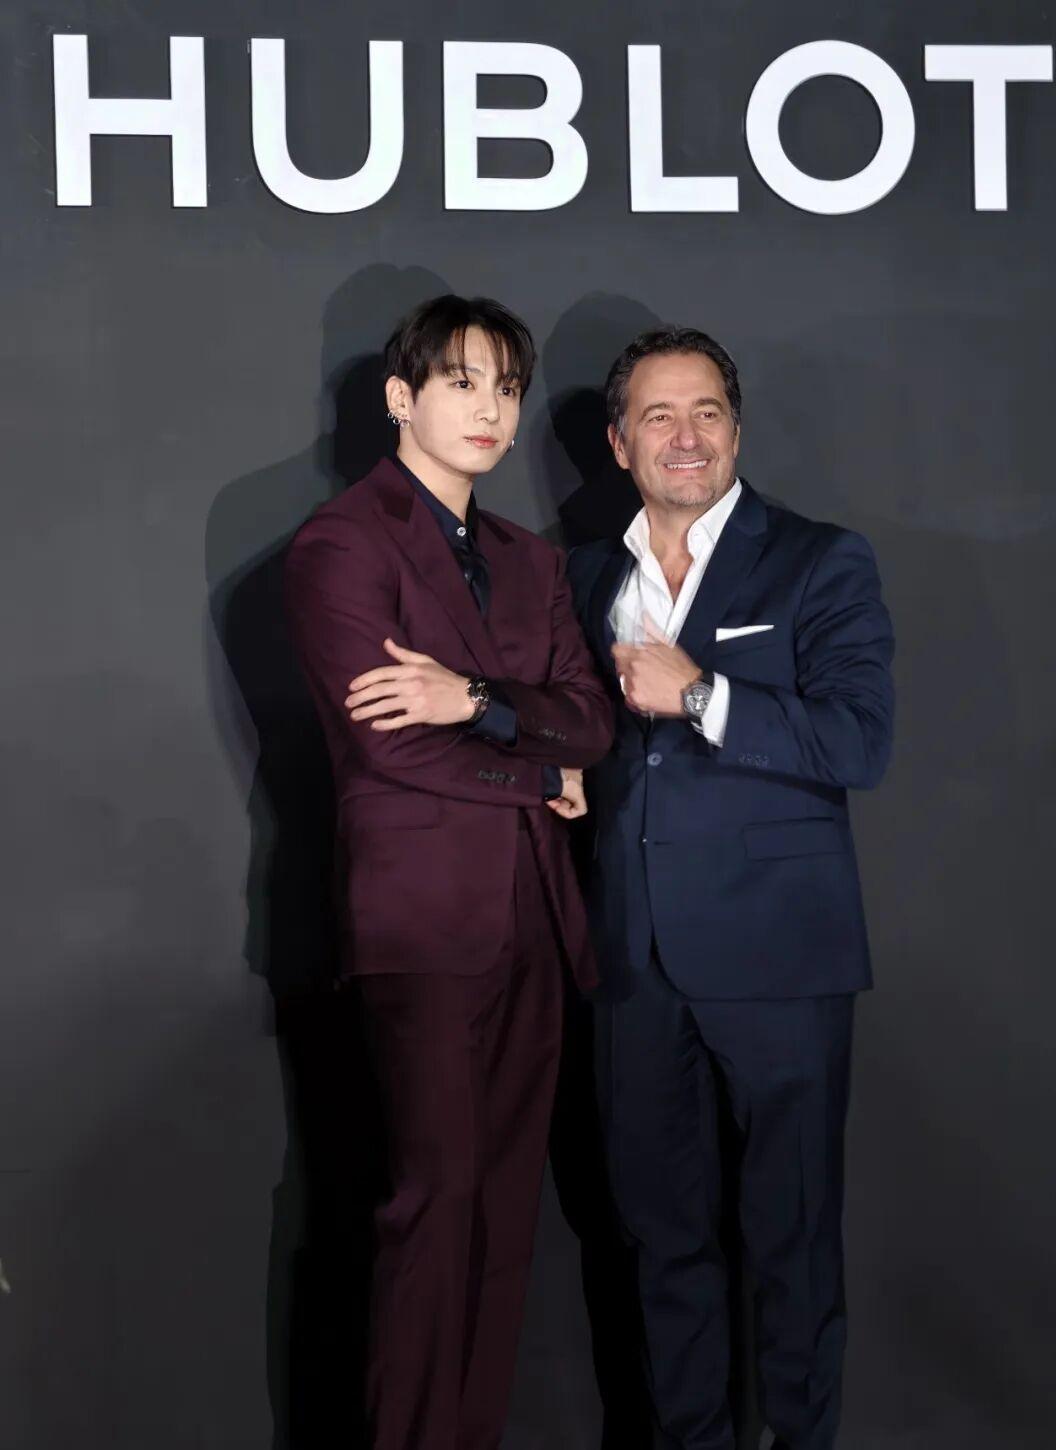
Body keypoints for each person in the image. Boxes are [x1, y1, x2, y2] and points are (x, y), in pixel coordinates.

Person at [283, 294, 613, 1450]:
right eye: (463, 381)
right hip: (421, 926)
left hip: (538, 923)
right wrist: (538, 770)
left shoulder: (531, 560)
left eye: (507, 388)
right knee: (434, 1206)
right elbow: (386, 744)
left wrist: (473, 698)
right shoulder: (342, 543)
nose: (491, 410)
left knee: (504, 1222)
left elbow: (591, 722)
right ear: (400, 396)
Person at [567, 325, 895, 1450]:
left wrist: (704, 693)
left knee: (792, 1243)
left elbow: (860, 740)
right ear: (620, 443)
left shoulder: (818, 559)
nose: (687, 436)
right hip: (633, 958)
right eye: (658, 415)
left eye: (707, 411)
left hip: (781, 959)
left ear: (737, 430)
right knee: (663, 1243)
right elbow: (584, 729)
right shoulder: (585, 575)